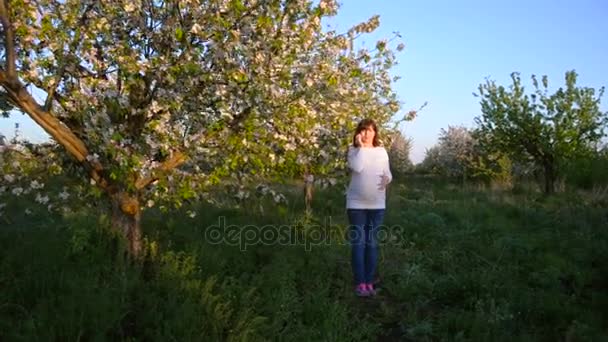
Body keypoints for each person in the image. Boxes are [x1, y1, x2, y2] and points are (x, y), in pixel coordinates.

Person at [346, 118, 392, 297]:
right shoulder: (353, 151)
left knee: (371, 244)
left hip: (378, 204)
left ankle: (369, 281)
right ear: (358, 133)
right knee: (359, 244)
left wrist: (388, 179)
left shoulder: (382, 151)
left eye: (370, 130)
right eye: (363, 130)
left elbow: (388, 173)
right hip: (356, 205)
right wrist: (361, 148)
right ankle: (360, 283)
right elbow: (357, 168)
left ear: (375, 133)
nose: (367, 134)